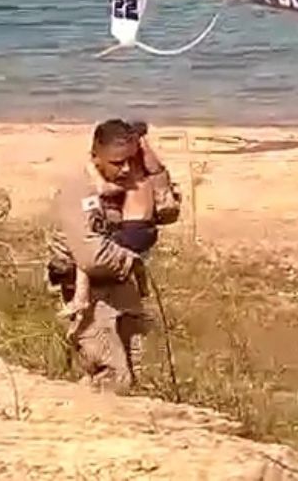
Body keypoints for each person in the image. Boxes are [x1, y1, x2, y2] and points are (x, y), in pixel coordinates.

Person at [47, 118, 180, 394]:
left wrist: (152, 173)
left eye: (131, 160)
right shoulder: (80, 191)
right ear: (95, 157)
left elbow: (168, 211)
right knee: (111, 375)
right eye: (118, 163)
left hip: (122, 288)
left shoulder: (131, 180)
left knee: (139, 368)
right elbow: (92, 257)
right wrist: (132, 258)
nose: (126, 169)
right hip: (88, 296)